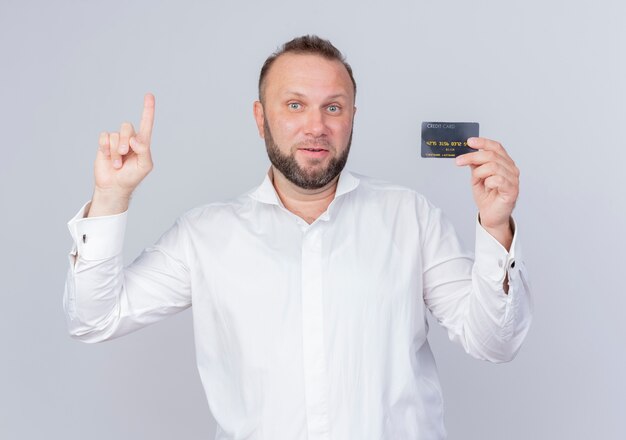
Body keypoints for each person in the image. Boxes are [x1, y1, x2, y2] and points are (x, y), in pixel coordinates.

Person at [64, 35, 531, 439]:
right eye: (294, 105)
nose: (316, 126)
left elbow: (495, 343)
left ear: (352, 117)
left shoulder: (409, 217)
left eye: (333, 107)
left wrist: (495, 227)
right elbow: (94, 320)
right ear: (260, 117)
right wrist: (110, 197)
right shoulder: (204, 236)